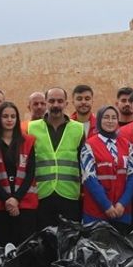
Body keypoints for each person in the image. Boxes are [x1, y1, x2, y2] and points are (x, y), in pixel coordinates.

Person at [0, 101, 38, 248]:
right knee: (2, 248)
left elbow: (30, 173)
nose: (9, 119)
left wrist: (16, 199)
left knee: (25, 249)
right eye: (5, 116)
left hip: (24, 204)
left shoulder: (28, 141)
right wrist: (7, 200)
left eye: (13, 116)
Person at [28, 87, 84, 228]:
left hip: (70, 195)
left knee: (69, 242)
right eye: (51, 101)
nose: (56, 105)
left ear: (66, 104)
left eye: (60, 101)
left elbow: (83, 164)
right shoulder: (31, 128)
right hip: (41, 194)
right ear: (46, 102)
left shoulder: (79, 129)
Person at [80, 105, 133, 232]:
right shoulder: (89, 145)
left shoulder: (128, 146)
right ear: (99, 120)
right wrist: (106, 206)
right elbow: (89, 178)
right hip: (96, 212)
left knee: (120, 250)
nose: (110, 121)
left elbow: (132, 177)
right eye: (106, 117)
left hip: (122, 211)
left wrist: (122, 204)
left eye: (114, 118)